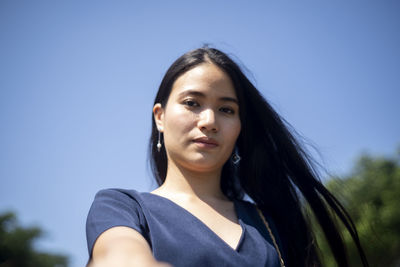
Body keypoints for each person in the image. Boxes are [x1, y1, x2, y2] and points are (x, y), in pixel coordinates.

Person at [86, 47, 369, 267]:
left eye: (226, 110)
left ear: (239, 128)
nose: (209, 121)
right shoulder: (122, 207)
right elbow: (119, 253)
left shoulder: (270, 224)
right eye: (192, 103)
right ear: (160, 117)